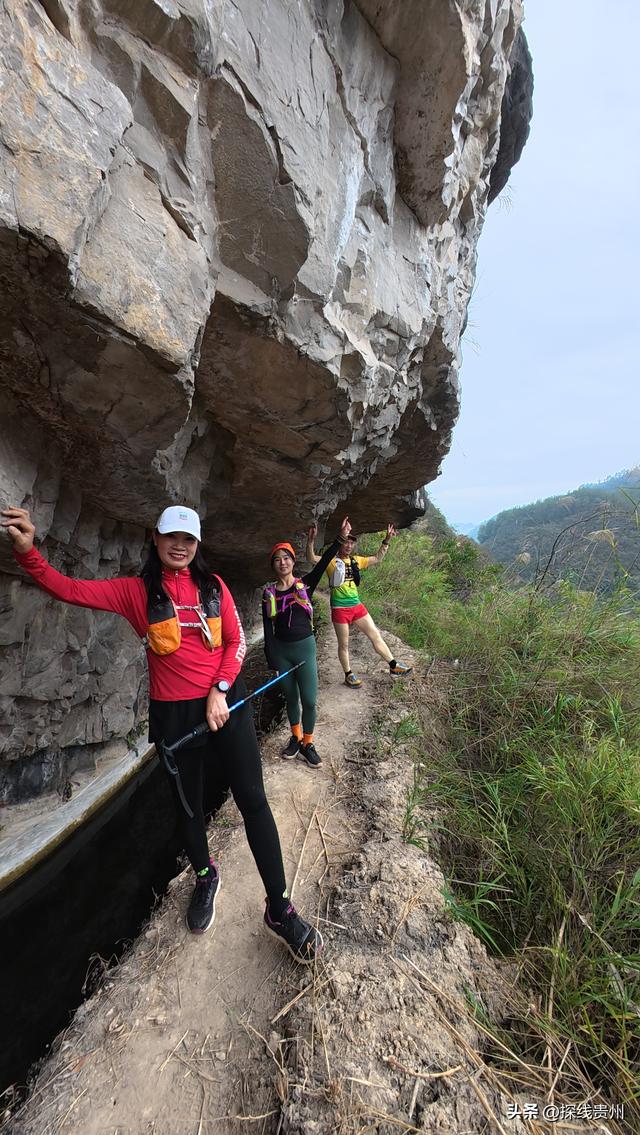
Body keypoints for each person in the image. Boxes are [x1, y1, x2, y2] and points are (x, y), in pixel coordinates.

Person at [2, 504, 322, 963]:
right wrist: (30, 553)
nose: (180, 545)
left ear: (197, 544)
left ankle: (280, 909)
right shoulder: (136, 593)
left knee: (253, 799)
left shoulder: (214, 587)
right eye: (172, 536)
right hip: (174, 717)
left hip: (226, 702)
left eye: (189, 539)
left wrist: (221, 689)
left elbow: (237, 642)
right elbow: (70, 589)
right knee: (188, 809)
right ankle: (206, 875)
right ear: (156, 538)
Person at [263, 517, 351, 767]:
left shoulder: (304, 585)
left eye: (286, 557)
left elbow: (324, 563)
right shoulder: (268, 593)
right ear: (273, 565)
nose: (283, 562)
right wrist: (272, 661)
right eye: (277, 559)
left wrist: (341, 538)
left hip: (305, 648)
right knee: (291, 698)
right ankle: (296, 738)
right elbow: (268, 631)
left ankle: (308, 743)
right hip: (281, 651)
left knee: (310, 699)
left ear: (293, 561)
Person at [306, 521, 412, 688]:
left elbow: (377, 558)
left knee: (375, 635)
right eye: (346, 541)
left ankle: (393, 666)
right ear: (341, 542)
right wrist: (311, 541)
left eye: (351, 542)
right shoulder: (330, 561)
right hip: (340, 608)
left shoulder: (356, 561)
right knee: (344, 644)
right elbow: (311, 558)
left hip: (357, 606)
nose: (348, 545)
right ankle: (348, 674)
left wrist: (386, 540)